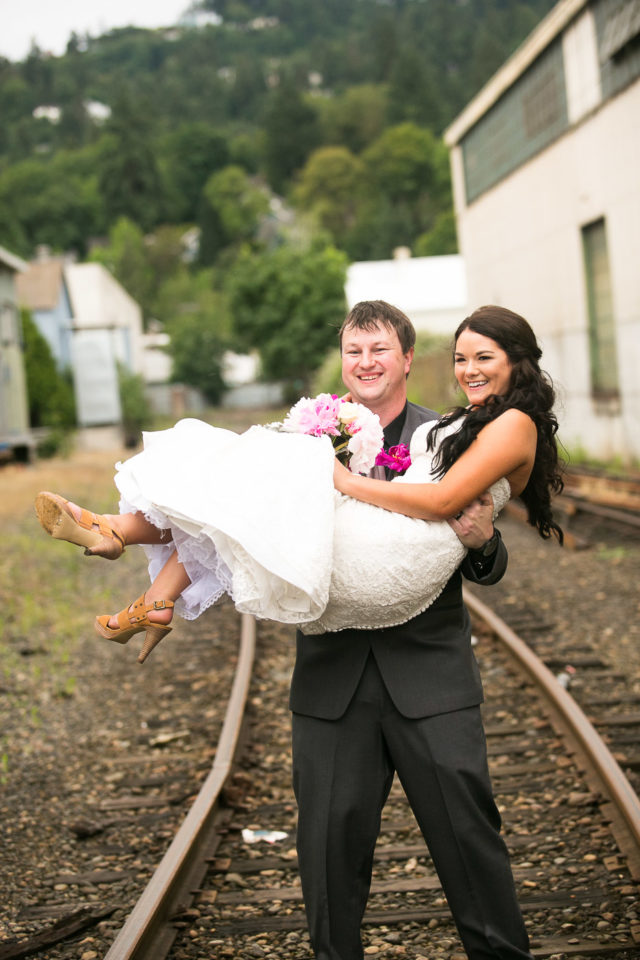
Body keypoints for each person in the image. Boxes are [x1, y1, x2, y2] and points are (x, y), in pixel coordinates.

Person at [289, 301, 562, 960]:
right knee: (328, 864)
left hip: (431, 679)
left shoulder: (449, 435)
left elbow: (488, 563)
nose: (366, 363)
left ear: (407, 359)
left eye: (380, 350)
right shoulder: (306, 441)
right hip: (332, 683)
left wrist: (484, 542)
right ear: (343, 362)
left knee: (471, 850)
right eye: (355, 352)